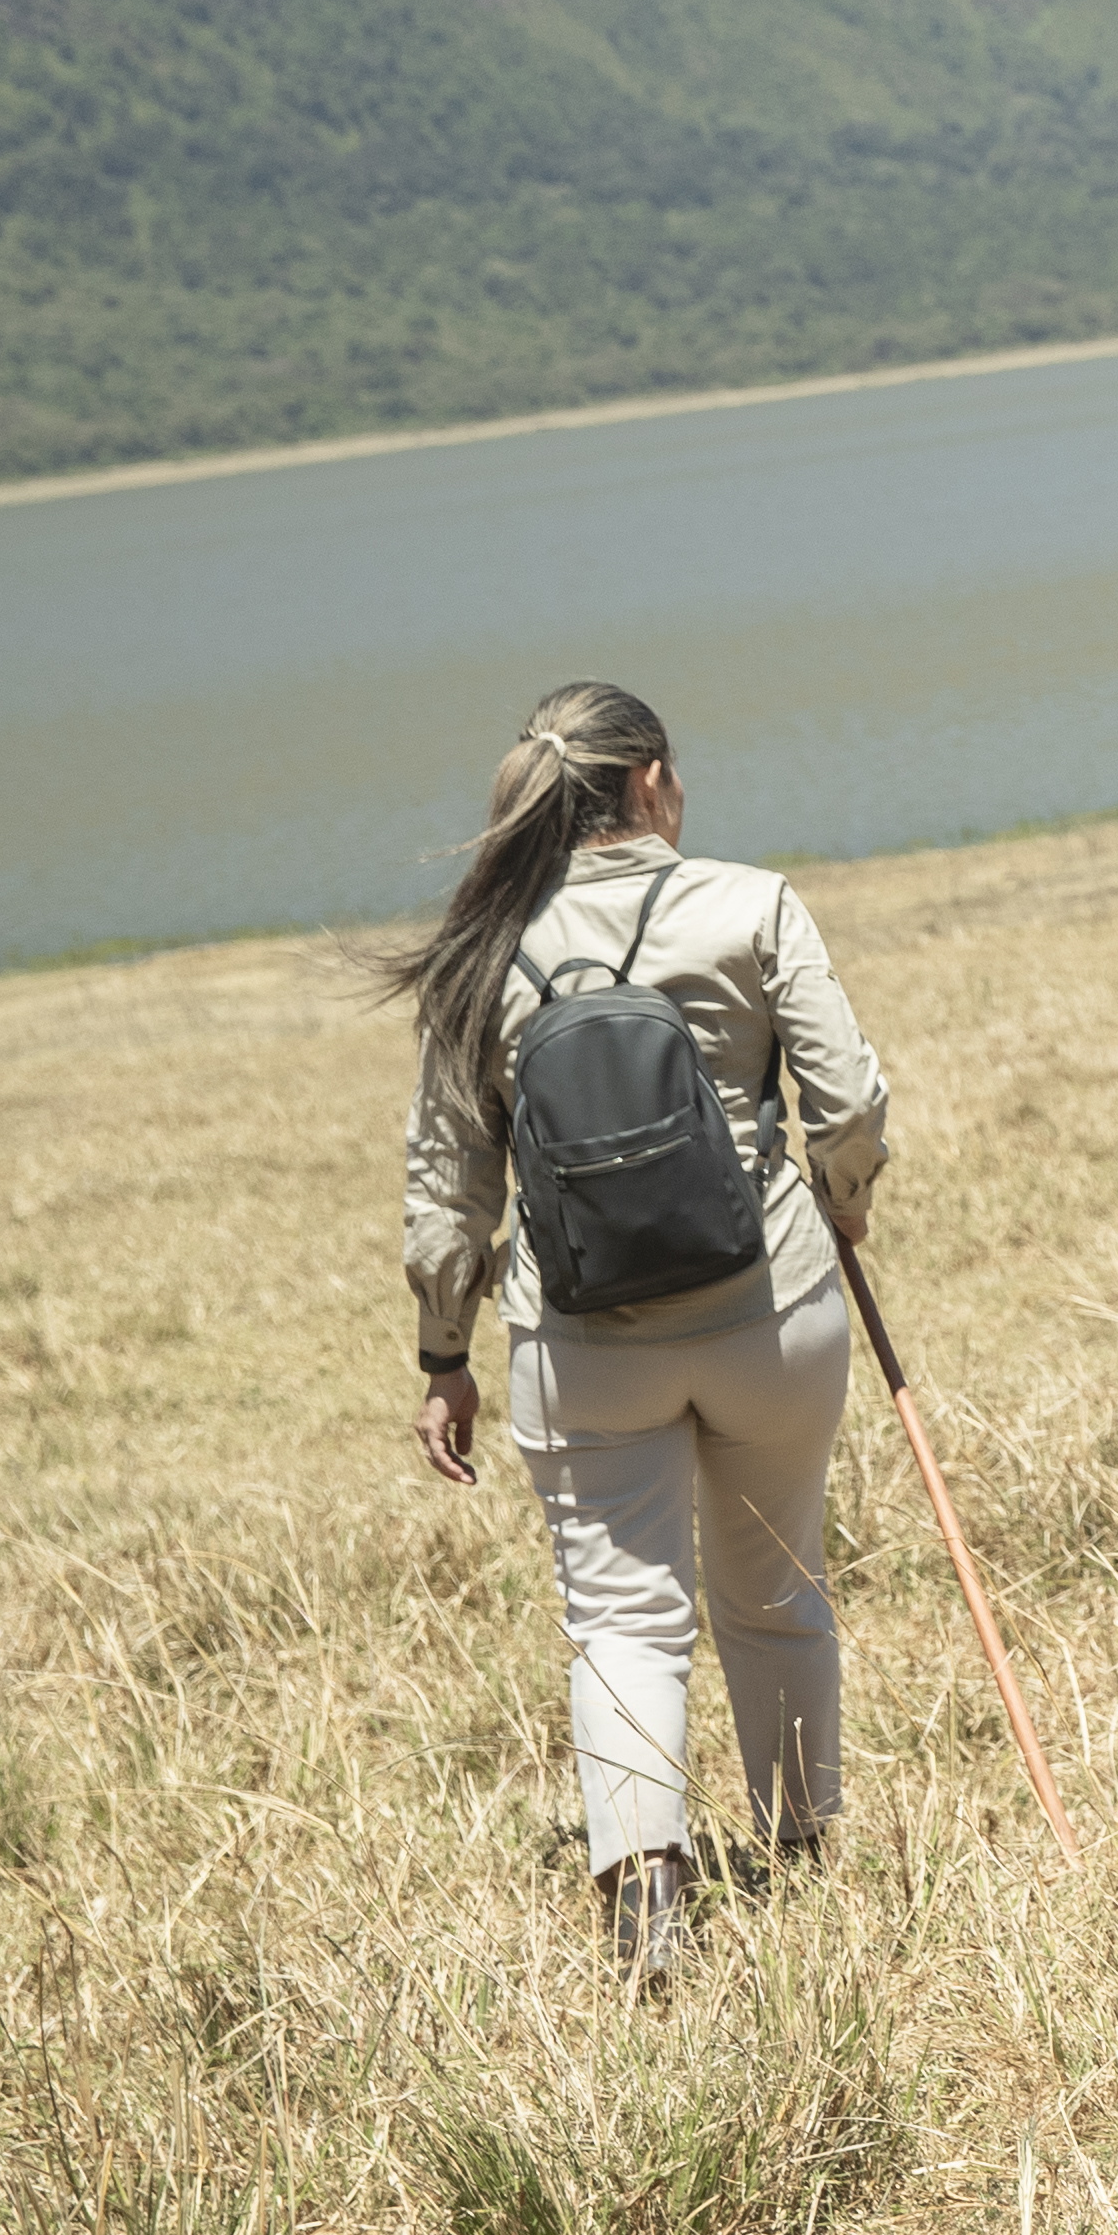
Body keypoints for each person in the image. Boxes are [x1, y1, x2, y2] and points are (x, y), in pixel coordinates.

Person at [381, 679, 894, 1989]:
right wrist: (839, 1207)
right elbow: (845, 1107)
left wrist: (446, 1355)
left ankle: (647, 1888)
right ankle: (800, 1849)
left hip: (580, 1337)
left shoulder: (481, 946)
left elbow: (449, 1191)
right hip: (772, 1312)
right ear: (653, 780)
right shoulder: (752, 902)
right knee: (776, 1590)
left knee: (622, 1619)